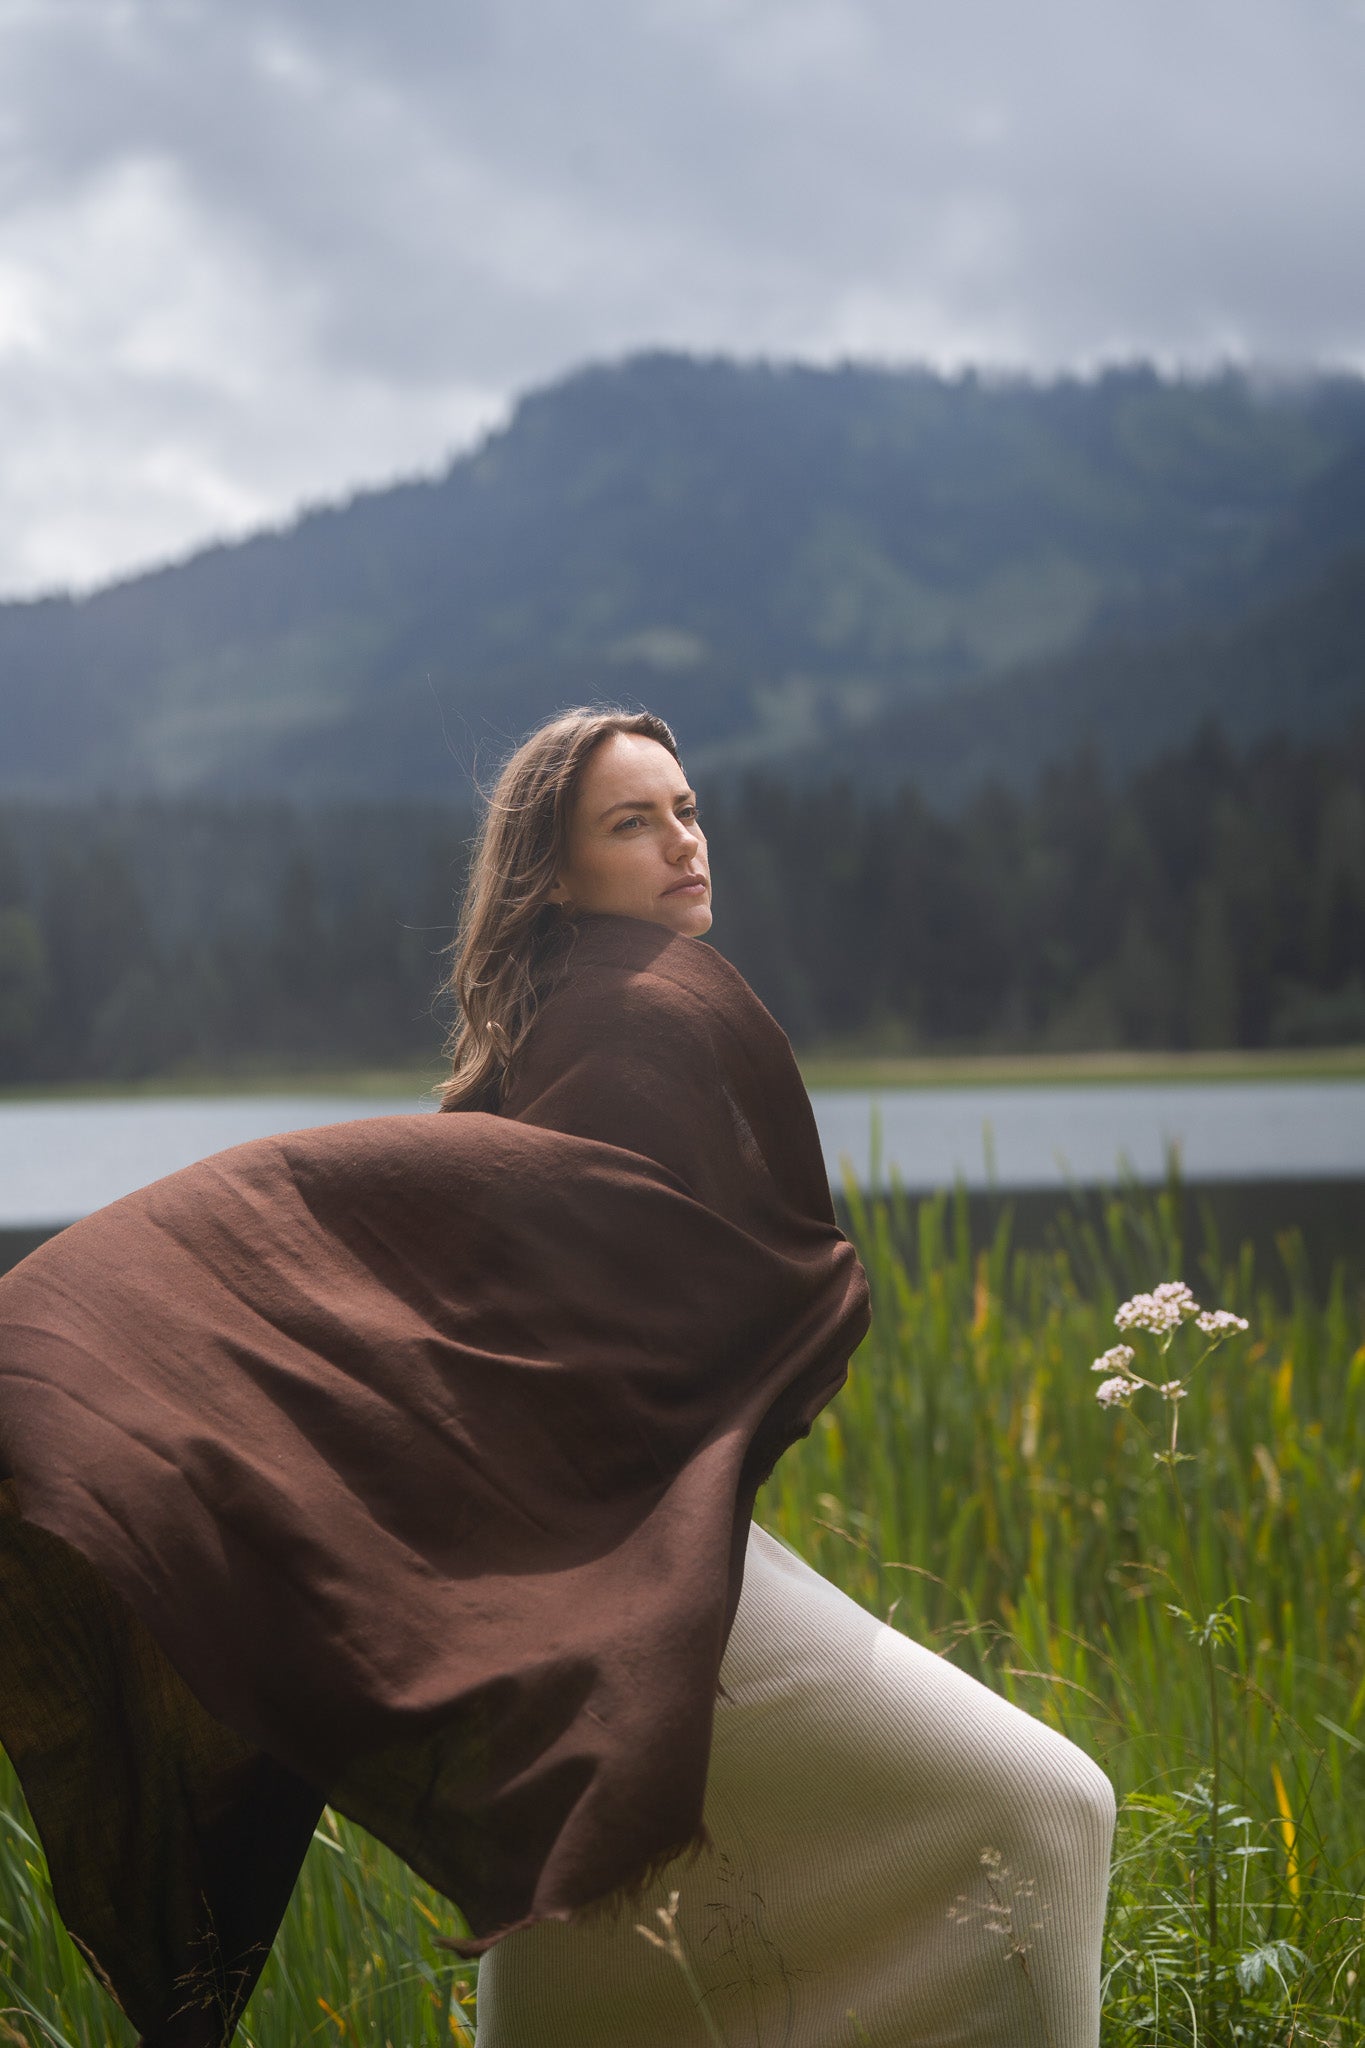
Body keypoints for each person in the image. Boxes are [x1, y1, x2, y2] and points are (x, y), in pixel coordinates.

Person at [0, 704, 1113, 2048]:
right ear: (554, 871)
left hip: (616, 1543)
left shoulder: (585, 1019)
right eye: (631, 823)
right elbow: (567, 1292)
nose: (679, 842)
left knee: (597, 1893)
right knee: (1044, 1806)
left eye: (686, 810)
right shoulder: (638, 1013)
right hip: (606, 1567)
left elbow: (529, 1306)